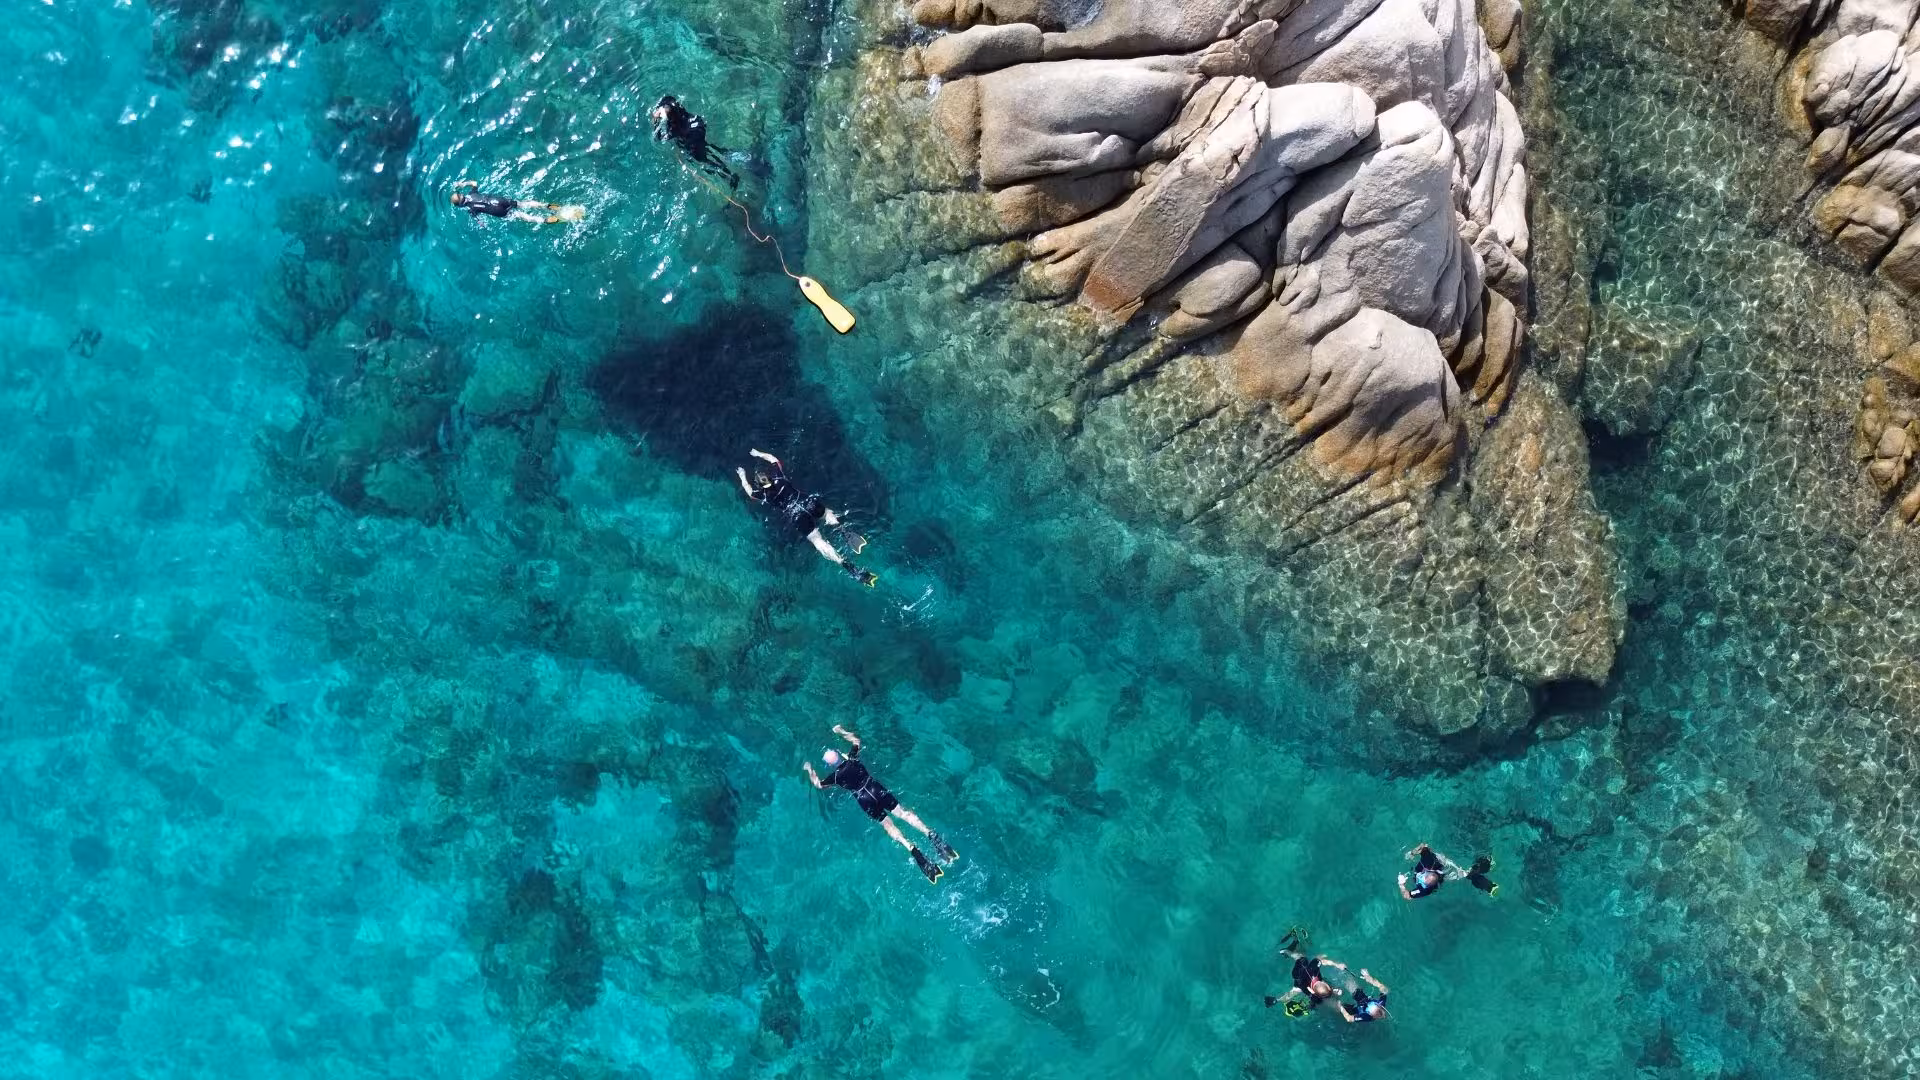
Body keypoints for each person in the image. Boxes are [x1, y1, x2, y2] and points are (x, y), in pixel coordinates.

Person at [803, 724, 959, 883]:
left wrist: (809, 769)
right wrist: (840, 731)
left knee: (887, 824)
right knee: (903, 814)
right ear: (839, 755)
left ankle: (911, 848)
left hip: (864, 799)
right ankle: (930, 834)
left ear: (830, 766)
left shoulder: (835, 777)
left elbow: (818, 784)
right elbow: (856, 741)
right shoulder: (852, 759)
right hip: (876, 789)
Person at [736, 448, 877, 586]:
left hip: (797, 516)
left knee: (817, 541)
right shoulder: (778, 477)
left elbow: (749, 492)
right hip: (807, 503)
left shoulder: (764, 495)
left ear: (760, 487)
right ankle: (843, 531)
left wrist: (742, 475)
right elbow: (773, 459)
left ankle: (844, 563)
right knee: (827, 514)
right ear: (770, 478)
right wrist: (758, 454)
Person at [651, 94, 738, 188]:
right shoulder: (680, 110)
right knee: (707, 147)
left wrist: (656, 121)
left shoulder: (673, 129)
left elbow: (658, 138)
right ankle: (729, 157)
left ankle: (729, 176)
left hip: (692, 138)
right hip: (697, 124)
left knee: (702, 160)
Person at [1264, 929, 1347, 1017]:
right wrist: (1334, 991)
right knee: (1294, 991)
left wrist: (1337, 964)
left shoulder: (1314, 970)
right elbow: (1316, 999)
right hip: (1301, 980)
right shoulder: (1313, 995)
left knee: (1301, 957)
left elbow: (1320, 959)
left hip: (1299, 973)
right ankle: (1276, 1000)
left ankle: (1285, 951)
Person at [1399, 843, 1498, 900]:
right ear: (1426, 871)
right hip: (1439, 866)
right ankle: (1487, 871)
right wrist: (1412, 853)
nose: (1419, 879)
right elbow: (1423, 846)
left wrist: (1401, 884)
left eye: (1421, 881)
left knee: (1467, 874)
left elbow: (1407, 895)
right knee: (1466, 874)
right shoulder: (1428, 860)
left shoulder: (1424, 890)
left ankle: (1487, 867)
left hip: (1442, 867)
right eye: (1421, 878)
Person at [450, 180, 578, 224]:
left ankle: (544, 220)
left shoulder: (471, 210)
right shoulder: (472, 193)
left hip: (498, 211)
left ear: (460, 205)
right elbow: (474, 182)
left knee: (520, 215)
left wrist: (481, 224)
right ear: (461, 195)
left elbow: (479, 222)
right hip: (500, 201)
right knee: (523, 204)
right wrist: (463, 184)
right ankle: (547, 206)